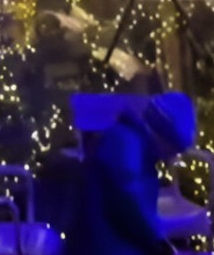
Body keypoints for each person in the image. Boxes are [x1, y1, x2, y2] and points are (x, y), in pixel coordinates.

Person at [68, 91, 197, 255]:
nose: (173, 157)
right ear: (163, 136)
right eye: (174, 149)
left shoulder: (139, 148)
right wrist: (155, 242)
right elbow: (128, 200)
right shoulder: (125, 144)